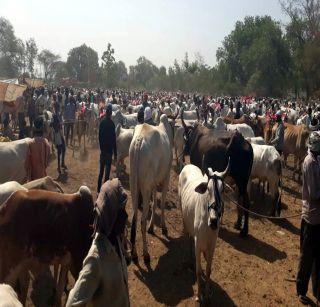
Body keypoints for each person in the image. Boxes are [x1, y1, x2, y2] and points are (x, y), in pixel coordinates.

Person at [66, 178, 129, 307]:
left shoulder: (116, 242)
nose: (126, 216)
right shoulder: (96, 259)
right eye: (121, 211)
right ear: (111, 215)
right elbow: (73, 303)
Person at [297, 132, 320, 304]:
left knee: (318, 257)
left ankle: (318, 290)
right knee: (306, 257)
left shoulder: (317, 160)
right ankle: (301, 290)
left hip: (318, 217)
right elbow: (313, 194)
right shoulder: (310, 162)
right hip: (311, 216)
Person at [97, 104, 117, 193]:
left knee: (101, 172)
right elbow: (114, 140)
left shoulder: (102, 122)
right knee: (107, 174)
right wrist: (115, 153)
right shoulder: (112, 124)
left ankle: (98, 189)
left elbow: (99, 137)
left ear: (106, 113)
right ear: (111, 113)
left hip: (103, 152)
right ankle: (104, 192)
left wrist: (101, 149)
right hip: (109, 152)